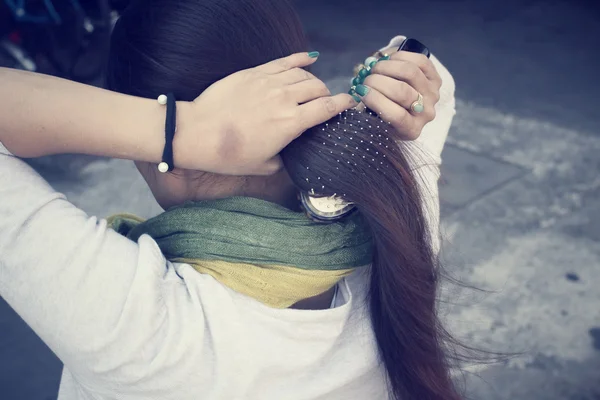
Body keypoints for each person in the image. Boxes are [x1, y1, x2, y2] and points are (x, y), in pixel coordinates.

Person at [0, 0, 457, 399]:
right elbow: (432, 73)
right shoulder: (394, 207)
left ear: (147, 157)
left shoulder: (137, 321)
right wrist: (386, 93)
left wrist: (176, 129)